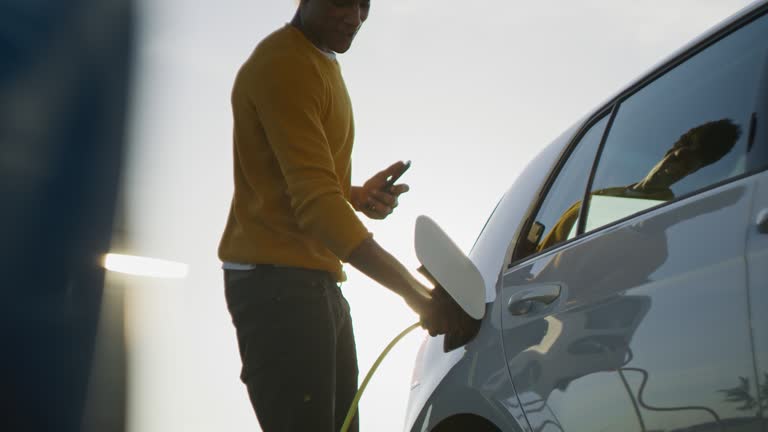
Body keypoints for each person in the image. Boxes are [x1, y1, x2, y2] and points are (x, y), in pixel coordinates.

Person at [217, 1, 447, 431]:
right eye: (343, 0)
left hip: (315, 281)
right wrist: (416, 295)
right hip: (277, 288)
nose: (355, 16)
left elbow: (297, 180)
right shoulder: (284, 66)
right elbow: (318, 206)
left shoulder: (319, 61)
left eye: (364, 4)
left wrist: (355, 195)